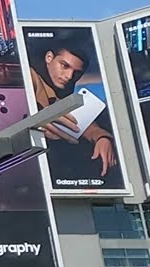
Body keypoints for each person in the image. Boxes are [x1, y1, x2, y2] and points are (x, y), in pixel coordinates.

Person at [30, 41, 116, 178]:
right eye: (64, 66)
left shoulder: (63, 95)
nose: (69, 76)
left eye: (76, 73)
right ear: (49, 58)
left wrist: (102, 138)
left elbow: (86, 125)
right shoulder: (27, 76)